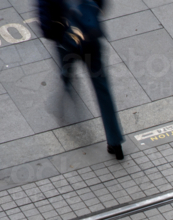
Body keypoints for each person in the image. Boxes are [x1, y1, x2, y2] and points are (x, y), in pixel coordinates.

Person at [37, 0, 125, 160]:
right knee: (102, 88)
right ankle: (115, 142)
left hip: (66, 41)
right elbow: (100, 3)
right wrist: (90, 19)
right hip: (91, 39)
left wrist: (57, 32)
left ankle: (64, 101)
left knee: (66, 75)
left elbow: (44, 18)